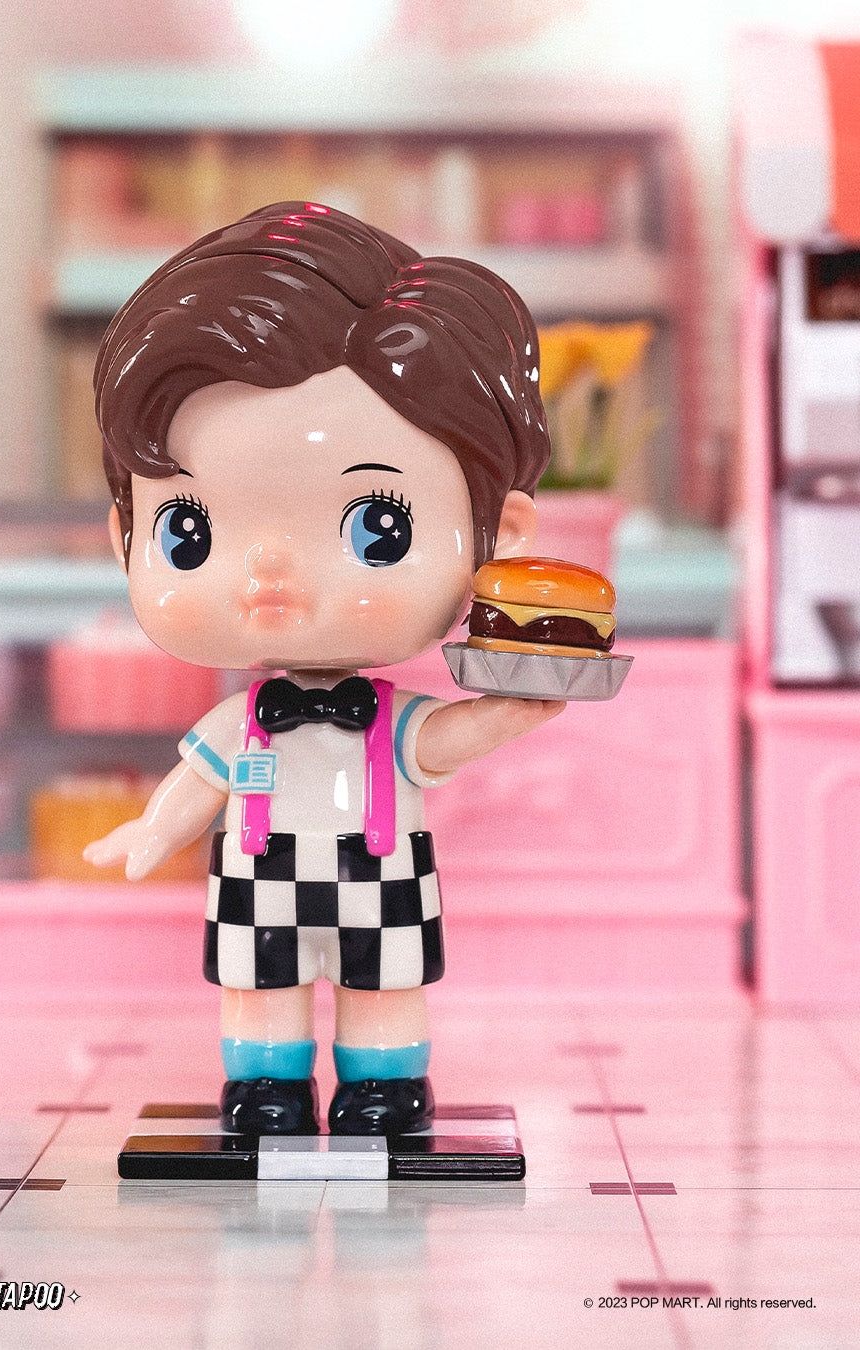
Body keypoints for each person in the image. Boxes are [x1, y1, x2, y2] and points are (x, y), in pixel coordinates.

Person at [84, 201, 564, 1136]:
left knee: (384, 986)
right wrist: (154, 827)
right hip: (257, 876)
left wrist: (514, 710)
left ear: (499, 533)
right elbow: (198, 782)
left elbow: (445, 739)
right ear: (124, 538)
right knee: (258, 988)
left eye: (376, 528)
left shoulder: (389, 719)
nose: (270, 575)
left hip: (380, 876)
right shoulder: (244, 723)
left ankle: (384, 1088)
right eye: (190, 531)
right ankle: (265, 1088)